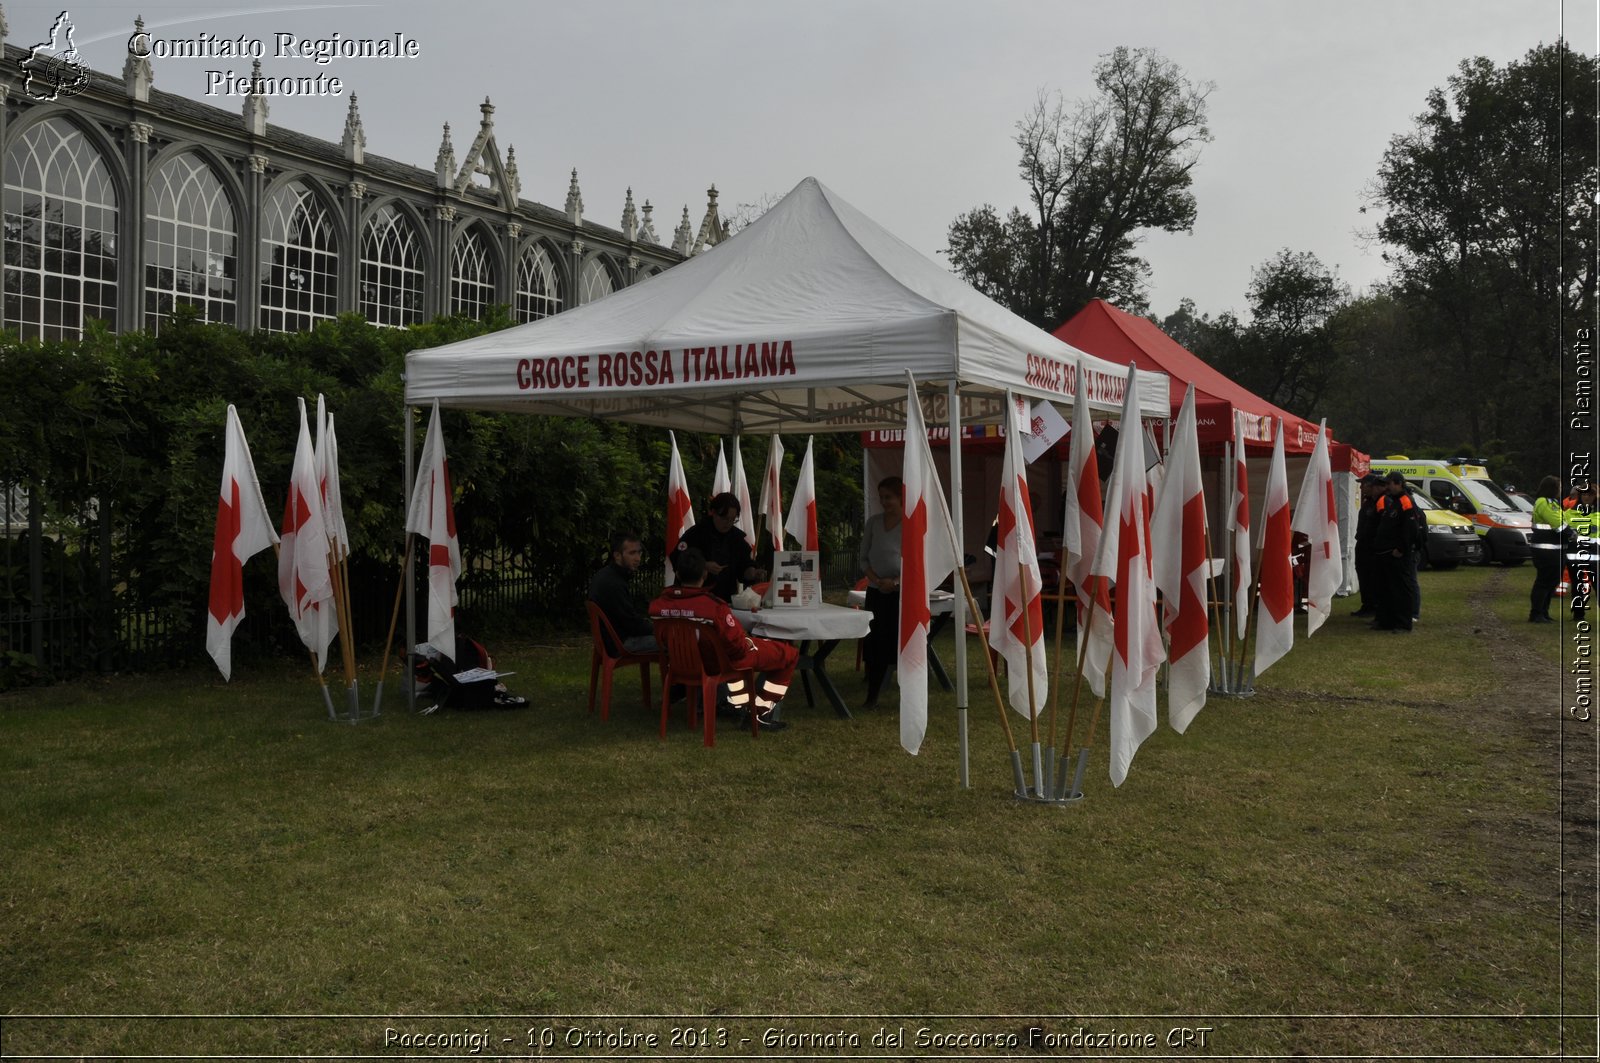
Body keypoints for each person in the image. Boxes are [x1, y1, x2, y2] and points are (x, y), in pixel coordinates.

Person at [649, 547, 797, 731]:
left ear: (677, 573)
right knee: (789, 654)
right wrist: (750, 641)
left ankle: (739, 704)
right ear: (704, 573)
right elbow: (736, 646)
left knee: (733, 653)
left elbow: (662, 639)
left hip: (681, 666)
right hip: (718, 663)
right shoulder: (714, 607)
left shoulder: (657, 606)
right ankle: (759, 713)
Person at [857, 475, 903, 709]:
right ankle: (871, 696)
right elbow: (864, 558)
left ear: (900, 497)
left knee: (899, 644)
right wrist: (876, 580)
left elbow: (917, 563)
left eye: (889, 497)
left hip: (900, 596)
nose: (885, 502)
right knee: (874, 644)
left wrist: (895, 582)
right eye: (882, 497)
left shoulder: (910, 524)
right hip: (876, 592)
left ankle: (907, 697)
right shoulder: (874, 523)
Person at [675, 492, 766, 601]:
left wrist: (753, 573)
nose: (728, 523)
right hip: (693, 598)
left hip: (724, 599)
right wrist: (703, 565)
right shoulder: (695, 534)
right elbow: (678, 558)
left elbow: (744, 566)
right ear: (713, 512)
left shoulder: (737, 538)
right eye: (724, 518)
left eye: (733, 520)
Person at [588, 532, 661, 653]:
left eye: (639, 552)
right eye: (632, 553)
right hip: (619, 642)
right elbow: (631, 623)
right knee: (676, 640)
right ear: (617, 555)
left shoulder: (608, 575)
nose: (638, 558)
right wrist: (658, 629)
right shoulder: (613, 583)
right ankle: (683, 671)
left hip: (612, 639)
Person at [1371, 471, 1424, 632]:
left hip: (1398, 554)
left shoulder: (1405, 501)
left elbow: (1411, 528)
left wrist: (1401, 548)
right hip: (1385, 552)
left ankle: (1403, 622)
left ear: (1399, 483)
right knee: (1387, 588)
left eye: (1390, 484)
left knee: (1401, 588)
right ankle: (1387, 620)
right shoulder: (1393, 501)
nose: (1387, 487)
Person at [1528, 475, 1567, 623]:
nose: (1560, 490)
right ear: (1553, 488)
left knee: (1552, 582)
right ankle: (1536, 613)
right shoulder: (1545, 502)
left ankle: (1543, 612)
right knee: (1544, 582)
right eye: (1559, 487)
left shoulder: (1553, 503)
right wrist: (1571, 533)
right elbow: (1558, 523)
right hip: (1546, 551)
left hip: (1555, 549)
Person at [1351, 473, 1385, 618]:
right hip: (1363, 544)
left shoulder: (1379, 502)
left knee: (1371, 577)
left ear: (1371, 486)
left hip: (1371, 546)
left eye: (1363, 484)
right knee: (1363, 575)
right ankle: (1367, 604)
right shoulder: (1368, 502)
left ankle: (1373, 605)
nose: (1360, 487)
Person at [1565, 482, 1598, 623]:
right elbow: (1565, 531)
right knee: (1577, 585)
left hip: (1594, 555)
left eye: (1590, 494)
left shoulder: (1598, 512)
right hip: (1574, 555)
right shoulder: (1569, 513)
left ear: (1595, 496)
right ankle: (1578, 615)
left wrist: (1577, 531)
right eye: (1584, 494)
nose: (1586, 497)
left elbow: (1594, 529)